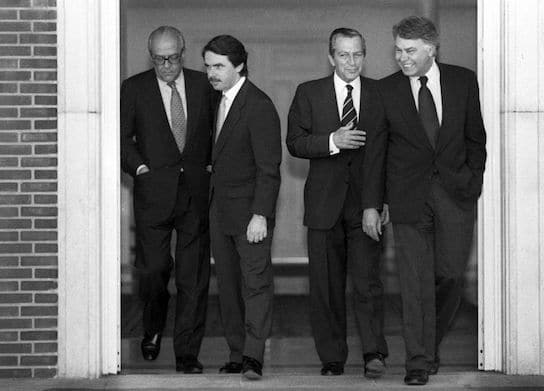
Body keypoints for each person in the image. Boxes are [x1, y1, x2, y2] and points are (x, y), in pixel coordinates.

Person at [362, 16, 487, 386]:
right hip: (408, 200)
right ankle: (417, 361)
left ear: (431, 49)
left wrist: (472, 180)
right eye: (398, 50)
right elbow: (376, 153)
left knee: (449, 275)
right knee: (414, 282)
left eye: (410, 51)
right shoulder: (386, 91)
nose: (402, 58)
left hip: (455, 195)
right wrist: (372, 203)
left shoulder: (463, 81)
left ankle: (428, 345)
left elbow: (474, 138)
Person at [287, 28, 388, 379]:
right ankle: (332, 357)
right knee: (325, 287)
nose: (351, 62)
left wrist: (377, 202)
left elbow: (386, 152)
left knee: (367, 283)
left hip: (366, 206)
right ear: (331, 56)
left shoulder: (380, 92)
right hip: (323, 206)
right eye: (343, 55)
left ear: (365, 54)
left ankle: (374, 353)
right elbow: (295, 143)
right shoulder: (308, 93)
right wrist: (332, 140)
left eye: (357, 54)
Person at [120, 26, 212, 374]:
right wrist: (139, 166)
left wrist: (211, 163)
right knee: (155, 270)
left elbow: (219, 129)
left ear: (183, 52)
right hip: (152, 196)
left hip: (195, 195)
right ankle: (153, 325)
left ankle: (187, 352)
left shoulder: (204, 85)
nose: (167, 66)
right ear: (151, 56)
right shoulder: (135, 88)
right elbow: (121, 138)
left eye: (172, 58)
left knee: (193, 277)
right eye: (159, 59)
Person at [203, 35, 281, 380]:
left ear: (239, 66)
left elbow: (269, 167)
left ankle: (253, 356)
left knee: (256, 284)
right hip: (219, 212)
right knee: (229, 286)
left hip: (250, 215)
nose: (211, 73)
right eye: (207, 66)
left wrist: (260, 214)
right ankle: (237, 352)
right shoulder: (216, 101)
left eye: (218, 66)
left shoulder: (258, 104)